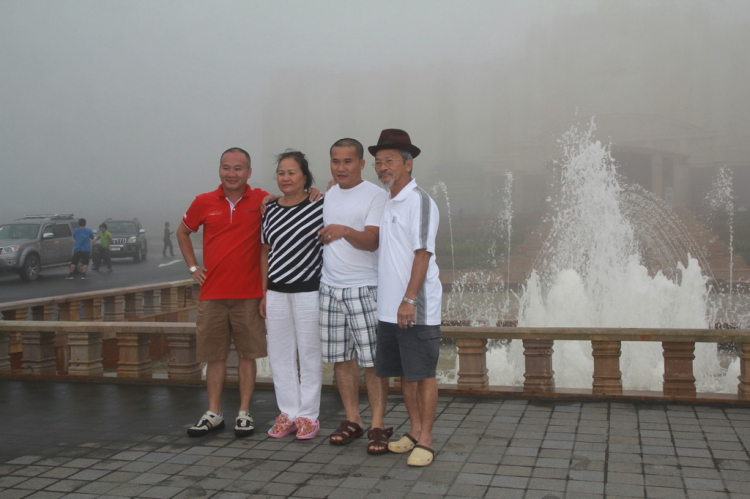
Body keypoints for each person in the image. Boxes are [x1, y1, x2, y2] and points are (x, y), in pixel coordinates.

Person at [177, 147, 269, 438]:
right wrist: (193, 268)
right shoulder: (203, 202)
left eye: (238, 168)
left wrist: (317, 191)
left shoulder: (262, 200)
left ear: (249, 172)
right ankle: (214, 412)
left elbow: (293, 199)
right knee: (213, 356)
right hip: (212, 295)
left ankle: (244, 412)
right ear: (219, 170)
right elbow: (182, 232)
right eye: (227, 168)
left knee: (247, 355)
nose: (232, 174)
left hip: (249, 294)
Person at [369, 129, 442, 467]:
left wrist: (409, 300)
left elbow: (423, 253)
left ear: (408, 164)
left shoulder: (419, 201)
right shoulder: (388, 200)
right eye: (379, 162)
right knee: (403, 373)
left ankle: (426, 439)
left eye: (390, 161)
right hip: (388, 309)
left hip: (416, 306)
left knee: (423, 373)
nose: (383, 167)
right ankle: (413, 431)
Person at [318, 138, 391, 454]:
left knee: (373, 361)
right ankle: (353, 419)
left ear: (362, 164)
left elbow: (373, 241)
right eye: (336, 161)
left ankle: (377, 423)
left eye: (348, 161)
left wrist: (345, 231)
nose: (341, 167)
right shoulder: (329, 192)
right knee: (341, 359)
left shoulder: (376, 196)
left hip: (365, 288)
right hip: (330, 288)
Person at [260, 150, 324, 439]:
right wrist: (264, 292)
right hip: (276, 293)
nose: (285, 178)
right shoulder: (270, 209)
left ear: (305, 177)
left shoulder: (319, 206)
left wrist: (322, 191)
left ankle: (309, 416)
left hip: (309, 292)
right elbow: (265, 252)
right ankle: (288, 412)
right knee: (280, 355)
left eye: (292, 172)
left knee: (310, 354)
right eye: (281, 173)